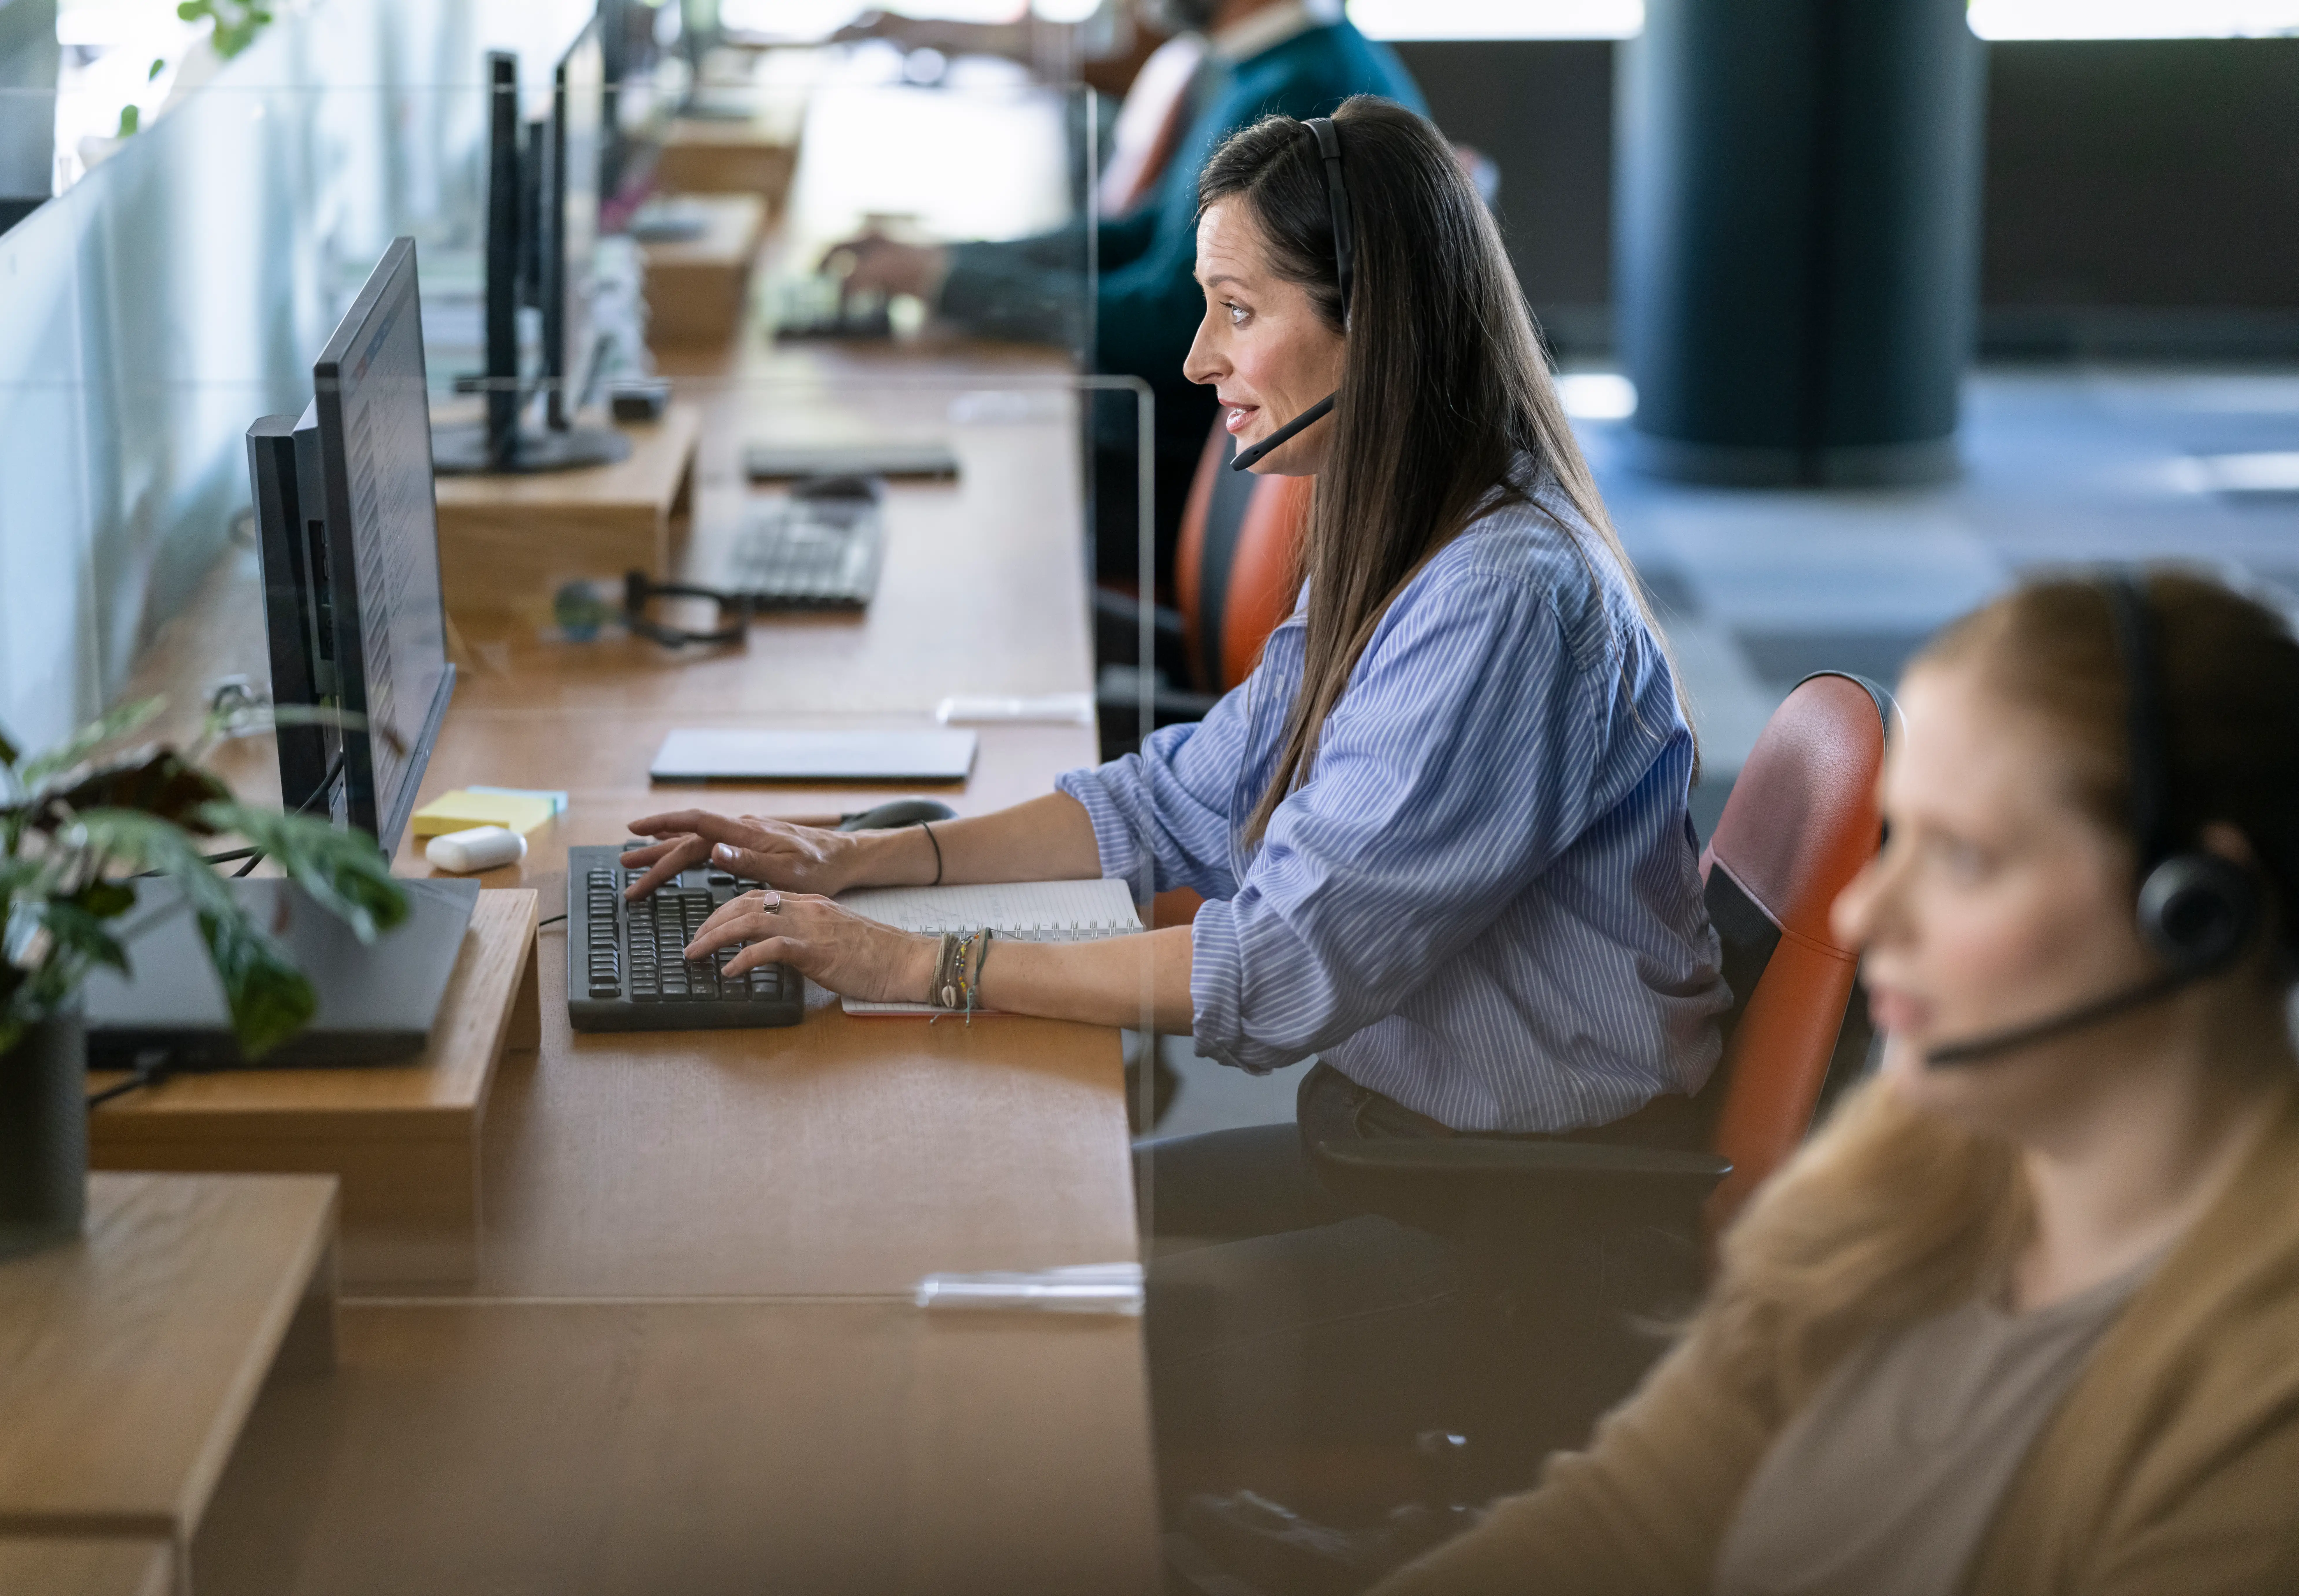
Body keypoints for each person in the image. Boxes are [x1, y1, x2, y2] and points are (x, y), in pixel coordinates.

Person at [623, 96, 1720, 1467]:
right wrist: (859, 859)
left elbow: (1267, 970)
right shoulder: (1410, 523)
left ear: (1370, 321)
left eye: (1236, 312)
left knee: (1005, 1373)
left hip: (1526, 1227)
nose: (1199, 357)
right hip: (1402, 1145)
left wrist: (918, 969)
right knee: (992, 1250)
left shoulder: (1499, 598)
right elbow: (1170, 803)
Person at [1370, 569, 2299, 1596]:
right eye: (1896, 836)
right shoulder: (1911, 1162)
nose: (1859, 918)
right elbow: (1625, 1515)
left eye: (1961, 858)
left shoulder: (2262, 1393)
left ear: (2197, 910)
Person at [830, 0, 1424, 602]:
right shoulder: (1283, 62)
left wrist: (951, 285)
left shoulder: (1298, 94)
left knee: (929, 518)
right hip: (1180, 449)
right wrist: (948, 263)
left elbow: (1168, 325)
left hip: (1176, 469)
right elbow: (1140, 238)